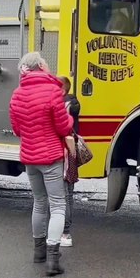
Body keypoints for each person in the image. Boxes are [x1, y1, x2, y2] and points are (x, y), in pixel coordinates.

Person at [9, 52, 73, 276]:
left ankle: (39, 252)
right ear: (40, 67)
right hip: (51, 157)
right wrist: (69, 117)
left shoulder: (17, 94)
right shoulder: (53, 91)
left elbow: (17, 129)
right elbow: (64, 127)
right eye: (45, 63)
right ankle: (53, 258)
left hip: (30, 157)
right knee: (58, 205)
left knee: (39, 202)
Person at [58, 75, 81, 248]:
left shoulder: (62, 104)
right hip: (70, 153)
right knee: (68, 194)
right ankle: (65, 232)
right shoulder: (73, 103)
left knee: (61, 195)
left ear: (61, 89)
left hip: (61, 153)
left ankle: (63, 232)